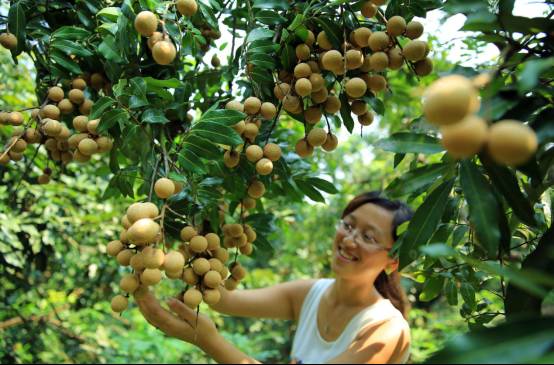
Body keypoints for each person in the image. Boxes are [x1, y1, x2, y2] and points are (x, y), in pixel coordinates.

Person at [135, 191, 414, 364]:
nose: (350, 240)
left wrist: (207, 340)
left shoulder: (387, 331)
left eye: (368, 236)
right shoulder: (310, 294)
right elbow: (224, 300)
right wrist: (198, 230)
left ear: (393, 260)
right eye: (348, 226)